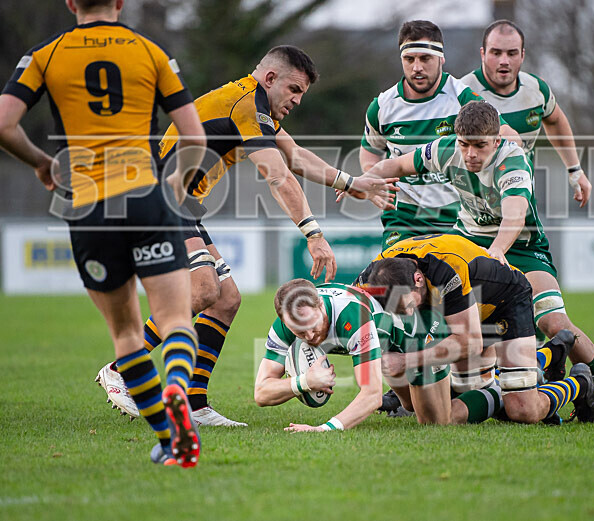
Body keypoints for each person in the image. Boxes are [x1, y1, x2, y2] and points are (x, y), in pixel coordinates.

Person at [95, 45, 398, 426]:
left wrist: (354, 183)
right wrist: (314, 234)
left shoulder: (255, 109)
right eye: (294, 89)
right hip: (157, 197)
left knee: (226, 300)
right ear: (270, 79)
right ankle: (124, 369)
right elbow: (278, 176)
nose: (297, 101)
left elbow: (297, 156)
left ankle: (194, 401)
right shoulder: (246, 106)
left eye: (302, 94)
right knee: (205, 290)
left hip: (179, 204)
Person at [0, 0, 205, 466]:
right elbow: (194, 138)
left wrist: (42, 163)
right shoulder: (150, 51)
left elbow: (4, 124)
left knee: (127, 333)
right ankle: (177, 387)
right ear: (119, 3)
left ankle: (170, 438)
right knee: (174, 319)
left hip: (88, 204)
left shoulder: (45, 54)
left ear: (70, 2)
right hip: (145, 195)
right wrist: (174, 183)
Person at [365, 101, 594, 422]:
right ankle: (535, 369)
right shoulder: (448, 148)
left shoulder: (512, 160)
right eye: (465, 145)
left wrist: (498, 250)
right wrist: (358, 182)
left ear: (496, 140)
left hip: (519, 248)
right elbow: (395, 166)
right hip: (470, 248)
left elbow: (515, 215)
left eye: (480, 146)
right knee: (466, 350)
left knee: (554, 323)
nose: (470, 154)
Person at [357, 234, 594, 425]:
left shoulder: (445, 270)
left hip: (503, 301)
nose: (408, 314)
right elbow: (349, 318)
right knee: (446, 396)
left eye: (408, 305)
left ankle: (579, 383)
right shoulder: (372, 278)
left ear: (419, 279)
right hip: (457, 307)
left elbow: (469, 342)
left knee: (522, 410)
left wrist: (405, 361)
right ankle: (545, 357)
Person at [360, 20, 521, 249]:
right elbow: (369, 154)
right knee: (399, 277)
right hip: (403, 220)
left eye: (425, 59)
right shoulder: (382, 107)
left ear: (441, 58)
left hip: (457, 219)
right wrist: (374, 181)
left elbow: (508, 135)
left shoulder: (462, 97)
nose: (417, 67)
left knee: (452, 282)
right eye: (409, 59)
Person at [459, 20, 591, 208]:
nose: (504, 61)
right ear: (483, 54)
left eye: (511, 53)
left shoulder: (537, 90)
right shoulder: (462, 92)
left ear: (522, 55)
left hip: (521, 200)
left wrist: (575, 170)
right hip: (472, 209)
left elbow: (555, 122)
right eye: (496, 53)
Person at [253, 280, 384, 431]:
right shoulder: (283, 327)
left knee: (398, 374)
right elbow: (261, 393)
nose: (309, 337)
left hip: (402, 338)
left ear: (321, 304)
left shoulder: (352, 315)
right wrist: (305, 381)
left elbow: (373, 394)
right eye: (300, 332)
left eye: (312, 325)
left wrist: (324, 428)